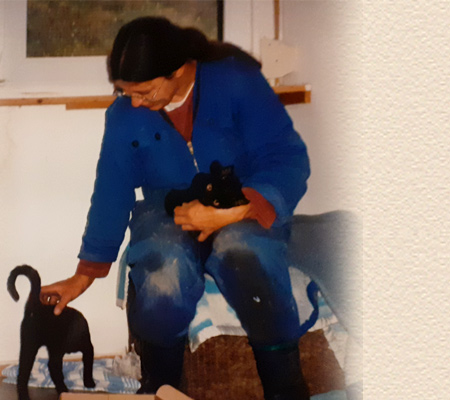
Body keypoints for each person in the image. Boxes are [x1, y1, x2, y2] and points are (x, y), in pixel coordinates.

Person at [40, 16, 311, 399]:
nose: (135, 102)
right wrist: (85, 274)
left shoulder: (237, 82)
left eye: (145, 91)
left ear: (180, 70)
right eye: (124, 92)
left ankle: (286, 389)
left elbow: (288, 159)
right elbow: (111, 191)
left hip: (242, 202)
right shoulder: (124, 116)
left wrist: (236, 210)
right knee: (163, 270)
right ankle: (161, 389)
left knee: (245, 251)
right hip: (165, 211)